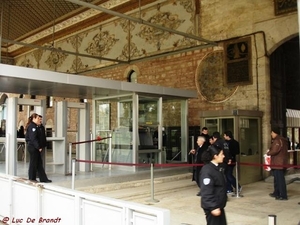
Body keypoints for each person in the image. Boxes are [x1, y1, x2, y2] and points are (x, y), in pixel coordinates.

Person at [200, 145, 227, 225]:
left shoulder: (217, 168)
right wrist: (213, 207)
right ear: (215, 156)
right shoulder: (207, 171)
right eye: (221, 154)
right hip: (213, 207)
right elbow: (206, 191)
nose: (223, 156)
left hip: (218, 205)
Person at [25, 113, 51, 183]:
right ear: (34, 119)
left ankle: (43, 178)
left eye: (40, 119)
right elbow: (33, 138)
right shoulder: (32, 127)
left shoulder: (39, 127)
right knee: (33, 163)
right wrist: (38, 147)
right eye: (38, 119)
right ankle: (32, 178)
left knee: (39, 163)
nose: (40, 120)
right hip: (33, 147)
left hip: (37, 147)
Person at [267, 126, 288, 200]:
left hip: (278, 163)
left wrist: (268, 153)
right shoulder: (280, 140)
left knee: (280, 180)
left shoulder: (278, 140)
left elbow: (275, 150)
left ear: (275, 133)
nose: (271, 134)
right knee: (276, 179)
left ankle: (283, 195)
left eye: (272, 132)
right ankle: (277, 192)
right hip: (278, 163)